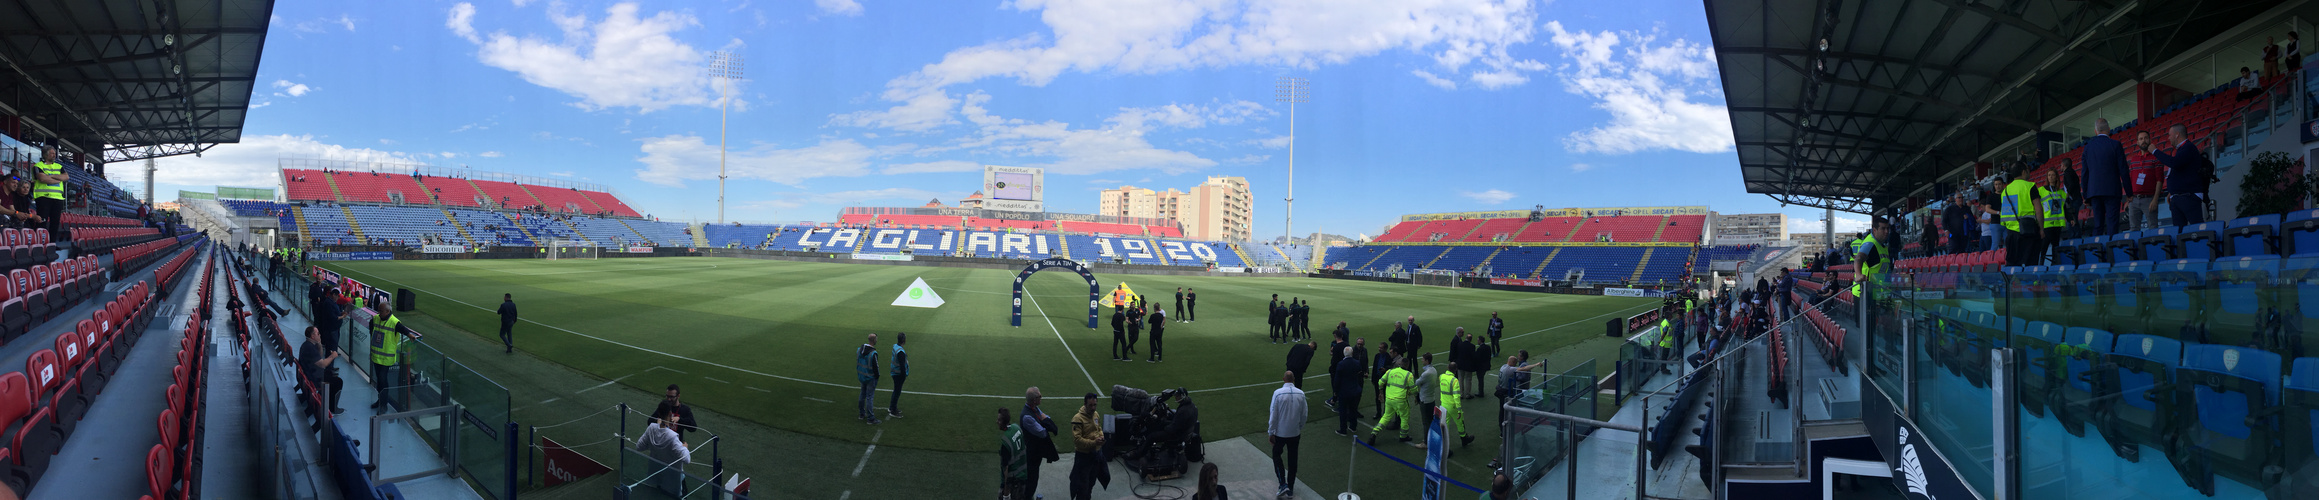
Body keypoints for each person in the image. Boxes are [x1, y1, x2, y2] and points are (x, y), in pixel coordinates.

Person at [2151, 124, 2213, 228]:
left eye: (2170, 135)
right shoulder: (2182, 150)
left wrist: (2155, 151)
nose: (2168, 138)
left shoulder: (2188, 147)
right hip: (2178, 197)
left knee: (2197, 229)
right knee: (2179, 232)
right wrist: (2172, 192)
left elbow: (2175, 163)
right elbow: (2181, 171)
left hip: (2188, 196)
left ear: (2177, 135)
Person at [2080, 119, 2127, 239]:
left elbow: (2084, 173)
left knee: (2098, 225)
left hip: (2094, 192)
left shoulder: (2087, 148)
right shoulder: (2116, 145)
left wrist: (2085, 195)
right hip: (2112, 191)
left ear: (2095, 131)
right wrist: (2129, 193)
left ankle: (2097, 253)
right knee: (2112, 225)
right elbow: (2123, 170)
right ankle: (2112, 252)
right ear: (2109, 129)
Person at [1267, 371, 1306, 499]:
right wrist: (1299, 427)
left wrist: (1271, 432)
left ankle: (1283, 483)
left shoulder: (1277, 393)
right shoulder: (1301, 394)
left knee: (1276, 455)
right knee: (1293, 459)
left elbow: (1273, 414)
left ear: (1284, 379)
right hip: (1294, 433)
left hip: (1280, 433)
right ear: (1294, 379)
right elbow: (1304, 414)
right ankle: (1291, 488)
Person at [636, 410, 692, 497]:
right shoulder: (673, 437)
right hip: (673, 481)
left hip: (657, 476)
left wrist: (656, 431)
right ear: (670, 415)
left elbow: (639, 446)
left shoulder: (652, 428)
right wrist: (685, 448)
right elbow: (687, 459)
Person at [368, 303, 413, 411]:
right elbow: (371, 326)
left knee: (383, 381)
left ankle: (384, 405)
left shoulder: (394, 322)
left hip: (386, 359)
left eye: (381, 311)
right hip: (376, 356)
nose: (379, 313)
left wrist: (410, 335)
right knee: (379, 380)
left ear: (388, 311)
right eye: (378, 310)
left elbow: (403, 329)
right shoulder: (375, 318)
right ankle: (380, 400)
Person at [1020, 388, 1061, 500]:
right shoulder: (1027, 416)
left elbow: (1046, 417)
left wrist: (1045, 422)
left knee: (1034, 477)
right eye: (1039, 396)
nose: (1041, 397)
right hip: (1032, 453)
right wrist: (1046, 424)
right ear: (1034, 400)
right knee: (1031, 480)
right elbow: (1042, 433)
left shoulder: (1034, 409)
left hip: (1036, 452)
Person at [1068, 393, 1108, 500]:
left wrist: (1101, 437)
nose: (1093, 408)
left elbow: (1099, 428)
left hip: (1096, 456)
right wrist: (1094, 442)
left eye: (1095, 405)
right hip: (1083, 457)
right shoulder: (1077, 418)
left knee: (1091, 482)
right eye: (1090, 405)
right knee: (1082, 486)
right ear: (1085, 404)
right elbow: (1077, 441)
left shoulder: (1096, 415)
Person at [1369, 356, 1416, 444]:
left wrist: (1381, 392)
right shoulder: (1408, 375)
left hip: (1389, 399)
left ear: (1400, 364)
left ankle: (1374, 433)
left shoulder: (1390, 371)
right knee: (1404, 417)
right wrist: (1416, 397)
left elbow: (1380, 382)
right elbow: (1413, 389)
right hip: (1401, 400)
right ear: (1407, 365)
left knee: (1386, 417)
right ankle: (1403, 436)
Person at [300, 326, 345, 415]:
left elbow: (319, 356)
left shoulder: (308, 344)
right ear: (313, 336)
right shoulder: (310, 348)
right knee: (338, 381)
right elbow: (323, 364)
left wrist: (319, 343)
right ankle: (332, 408)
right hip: (313, 378)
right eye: (318, 334)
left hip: (310, 372)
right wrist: (333, 356)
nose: (320, 335)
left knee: (329, 373)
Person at [1496, 354, 1546, 435]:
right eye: (1515, 363)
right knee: (1506, 411)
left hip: (1501, 390)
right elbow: (1524, 368)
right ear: (1512, 363)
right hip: (1506, 392)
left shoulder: (1503, 366)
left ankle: (1503, 429)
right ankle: (1504, 431)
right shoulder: (1510, 369)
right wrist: (1536, 364)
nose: (1516, 365)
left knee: (1502, 411)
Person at [2125, 130, 2164, 232]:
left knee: (2153, 227)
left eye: (2146, 138)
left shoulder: (2156, 157)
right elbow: (2131, 180)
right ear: (2137, 142)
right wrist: (2128, 199)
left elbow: (2160, 180)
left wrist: (2155, 199)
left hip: (2149, 199)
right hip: (2134, 200)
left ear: (2150, 140)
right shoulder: (2133, 159)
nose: (2144, 141)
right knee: (2133, 229)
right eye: (2141, 139)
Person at [30, 147, 65, 242]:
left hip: (58, 198)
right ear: (45, 154)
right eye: (52, 153)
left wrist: (50, 176)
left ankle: (52, 244)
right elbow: (42, 179)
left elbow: (66, 177)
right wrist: (58, 178)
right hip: (43, 197)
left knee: (55, 223)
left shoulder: (59, 166)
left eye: (54, 153)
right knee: (42, 221)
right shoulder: (38, 166)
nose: (54, 155)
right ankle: (39, 243)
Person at [998, 409, 1030, 499]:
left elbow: (1006, 469)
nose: (997, 422)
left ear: (1003, 422)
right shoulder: (1017, 428)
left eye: (999, 420)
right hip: (1022, 476)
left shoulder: (1005, 442)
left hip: (1013, 481)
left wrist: (1006, 492)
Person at [1333, 346, 1363, 436]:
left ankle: (1343, 429)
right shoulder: (1356, 362)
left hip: (1344, 391)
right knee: (1353, 409)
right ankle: (1353, 426)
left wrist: (1335, 390)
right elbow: (1359, 371)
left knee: (1343, 410)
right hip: (1354, 389)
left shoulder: (1341, 364)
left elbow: (1337, 379)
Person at [1415, 352, 1441, 448]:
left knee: (1426, 422)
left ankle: (1426, 442)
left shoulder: (1426, 373)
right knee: (1429, 420)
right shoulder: (1433, 370)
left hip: (1425, 400)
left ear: (1427, 361)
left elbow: (1417, 382)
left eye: (1423, 359)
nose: (1421, 360)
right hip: (1431, 398)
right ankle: (1429, 438)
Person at [856, 334, 882, 424]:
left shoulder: (860, 350)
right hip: (870, 378)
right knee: (869, 397)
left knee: (862, 394)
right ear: (874, 340)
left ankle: (861, 414)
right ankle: (870, 418)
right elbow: (876, 368)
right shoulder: (873, 353)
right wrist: (877, 376)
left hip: (862, 376)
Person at [889, 333, 910, 417]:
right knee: (897, 392)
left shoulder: (895, 347)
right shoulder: (900, 352)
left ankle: (892, 407)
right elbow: (902, 366)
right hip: (898, 374)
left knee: (896, 391)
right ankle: (893, 410)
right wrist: (904, 375)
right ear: (904, 340)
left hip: (895, 373)